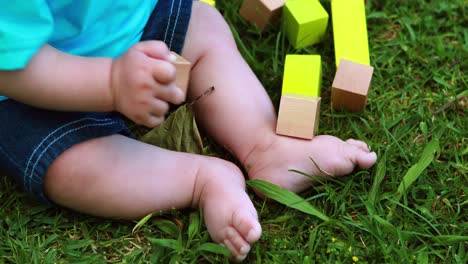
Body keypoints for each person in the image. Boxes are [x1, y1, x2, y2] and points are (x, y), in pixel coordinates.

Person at [0, 0, 377, 261]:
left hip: (134, 25)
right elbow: (13, 68)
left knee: (204, 27)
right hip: (31, 91)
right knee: (71, 167)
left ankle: (264, 145)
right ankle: (200, 179)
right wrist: (112, 83)